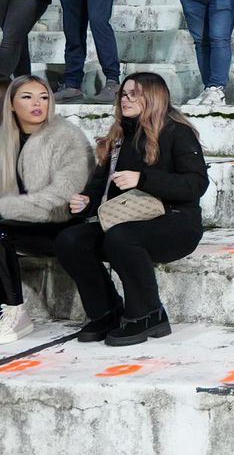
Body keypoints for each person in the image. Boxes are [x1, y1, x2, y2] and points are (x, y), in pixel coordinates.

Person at [55, 72, 209, 346]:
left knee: (122, 237)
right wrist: (85, 203)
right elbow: (100, 186)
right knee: (71, 240)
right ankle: (105, 311)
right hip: (127, 217)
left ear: (153, 97)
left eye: (134, 94)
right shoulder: (119, 135)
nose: (126, 99)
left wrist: (144, 179)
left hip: (175, 222)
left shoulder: (177, 132)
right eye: (123, 94)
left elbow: (195, 184)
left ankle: (148, 313)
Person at [0, 76, 93, 344]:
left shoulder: (67, 137)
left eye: (43, 96)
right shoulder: (5, 138)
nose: (37, 103)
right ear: (11, 105)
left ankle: (16, 312)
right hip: (15, 224)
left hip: (60, 226)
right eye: (27, 97)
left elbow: (59, 201)